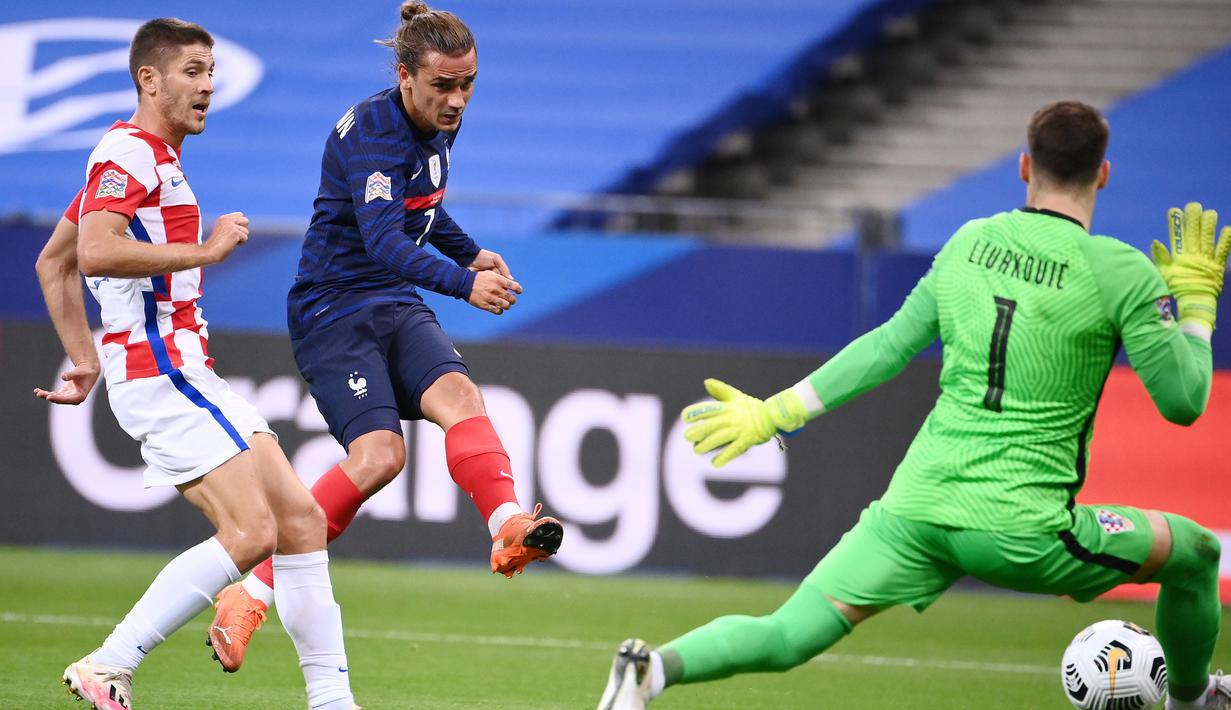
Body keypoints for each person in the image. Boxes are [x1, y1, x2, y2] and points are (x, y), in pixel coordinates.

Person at [595, 101, 1228, 710]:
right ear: (1105, 174)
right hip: (1020, 527)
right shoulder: (1119, 271)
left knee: (788, 634)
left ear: (1025, 167)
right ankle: (1195, 699)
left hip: (915, 511)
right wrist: (1196, 312)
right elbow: (1182, 402)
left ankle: (650, 671)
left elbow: (887, 348)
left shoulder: (970, 243)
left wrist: (772, 413)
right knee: (1196, 553)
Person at [206, 0, 564, 672]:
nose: (457, 100)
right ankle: (250, 593)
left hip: (390, 301)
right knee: (379, 458)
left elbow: (421, 204)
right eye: (443, 86)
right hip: (333, 310)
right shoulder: (376, 131)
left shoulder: (432, 122)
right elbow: (382, 237)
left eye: (468, 85)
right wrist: (463, 284)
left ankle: (506, 524)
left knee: (460, 394)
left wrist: (470, 252)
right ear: (405, 76)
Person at [33, 18, 358, 710]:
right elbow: (95, 251)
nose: (207, 85)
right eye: (191, 71)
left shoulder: (150, 158)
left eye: (210, 71)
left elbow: (53, 260)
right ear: (148, 79)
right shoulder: (127, 154)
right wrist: (206, 253)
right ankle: (110, 664)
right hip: (161, 371)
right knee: (251, 532)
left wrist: (82, 357)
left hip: (178, 369)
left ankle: (333, 702)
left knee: (299, 518)